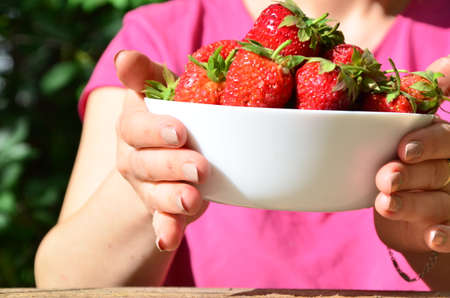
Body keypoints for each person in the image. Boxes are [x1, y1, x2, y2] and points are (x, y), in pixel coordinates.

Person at [34, 0, 450, 290]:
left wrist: (429, 235)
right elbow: (61, 282)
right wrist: (149, 188)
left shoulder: (436, 71)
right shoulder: (162, 37)